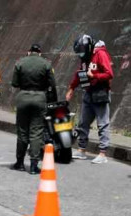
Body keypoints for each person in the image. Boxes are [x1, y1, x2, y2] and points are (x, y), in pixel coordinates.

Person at [66, 35, 114, 164]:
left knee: (102, 123)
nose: (81, 55)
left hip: (100, 93)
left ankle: (103, 154)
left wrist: (95, 75)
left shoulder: (101, 54)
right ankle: (82, 150)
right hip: (88, 92)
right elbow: (79, 73)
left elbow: (109, 73)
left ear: (89, 47)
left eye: (82, 51)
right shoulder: (85, 57)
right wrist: (71, 88)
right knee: (83, 122)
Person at [11, 44, 57, 175]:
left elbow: (15, 83)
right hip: (39, 98)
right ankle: (33, 165)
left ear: (29, 51)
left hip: (23, 98)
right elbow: (52, 84)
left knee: (22, 131)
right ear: (40, 52)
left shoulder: (20, 63)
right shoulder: (46, 64)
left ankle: (19, 163)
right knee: (36, 132)